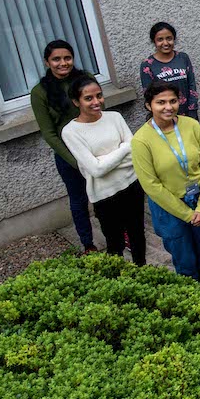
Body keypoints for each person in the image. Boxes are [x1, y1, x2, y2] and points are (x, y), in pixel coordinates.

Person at [132, 81, 200, 287]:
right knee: (186, 264)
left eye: (173, 101)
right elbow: (151, 186)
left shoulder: (192, 125)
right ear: (148, 105)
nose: (168, 107)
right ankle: (196, 307)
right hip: (169, 209)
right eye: (160, 102)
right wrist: (188, 215)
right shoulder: (141, 140)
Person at [61, 75, 145, 265]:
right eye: (88, 98)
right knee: (114, 244)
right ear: (76, 102)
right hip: (105, 196)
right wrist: (124, 148)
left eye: (99, 95)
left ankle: (144, 276)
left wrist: (105, 160)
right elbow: (96, 169)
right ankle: (118, 285)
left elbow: (136, 153)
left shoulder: (114, 117)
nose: (96, 101)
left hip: (132, 186)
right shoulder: (70, 132)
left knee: (138, 237)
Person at [30, 40, 96, 252]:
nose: (63, 63)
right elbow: (49, 133)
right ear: (47, 62)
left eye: (67, 58)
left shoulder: (86, 80)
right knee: (78, 200)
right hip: (69, 157)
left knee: (110, 195)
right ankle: (88, 244)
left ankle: (121, 235)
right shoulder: (40, 92)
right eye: (56, 59)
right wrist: (75, 161)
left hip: (97, 147)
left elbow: (99, 110)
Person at [140, 22, 199, 119]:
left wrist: (193, 109)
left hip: (188, 112)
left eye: (169, 38)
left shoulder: (183, 58)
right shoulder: (147, 65)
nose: (165, 43)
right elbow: (149, 95)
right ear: (154, 41)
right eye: (160, 39)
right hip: (164, 115)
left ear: (174, 39)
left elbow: (192, 85)